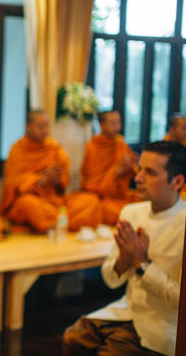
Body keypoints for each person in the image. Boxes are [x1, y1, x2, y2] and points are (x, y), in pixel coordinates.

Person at [63, 141, 186, 356]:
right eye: (139, 169)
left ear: (176, 181)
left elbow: (180, 301)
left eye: (150, 172)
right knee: (72, 338)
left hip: (163, 327)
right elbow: (110, 279)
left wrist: (141, 264)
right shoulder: (132, 212)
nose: (137, 178)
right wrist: (125, 260)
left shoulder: (183, 224)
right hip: (127, 311)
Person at [0, 110, 76, 232]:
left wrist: (57, 180)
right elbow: (12, 187)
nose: (45, 131)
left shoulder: (53, 147)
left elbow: (65, 180)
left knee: (89, 201)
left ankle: (55, 223)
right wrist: (41, 180)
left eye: (47, 126)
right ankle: (61, 223)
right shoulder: (18, 149)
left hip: (52, 202)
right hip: (29, 201)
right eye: (40, 127)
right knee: (28, 205)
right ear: (28, 127)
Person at [66, 111, 139, 230]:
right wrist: (116, 172)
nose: (118, 127)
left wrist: (132, 166)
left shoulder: (120, 142)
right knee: (96, 207)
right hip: (99, 199)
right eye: (113, 123)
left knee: (141, 203)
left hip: (118, 197)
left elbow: (132, 174)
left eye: (119, 123)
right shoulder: (93, 146)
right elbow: (90, 185)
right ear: (102, 125)